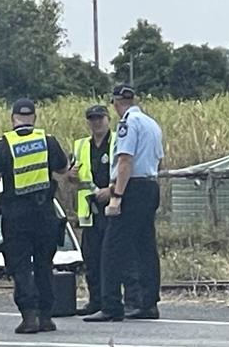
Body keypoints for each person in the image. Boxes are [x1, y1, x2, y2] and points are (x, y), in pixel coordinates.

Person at [0, 98, 68, 334]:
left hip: (16, 216)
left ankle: (29, 317)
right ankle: (46, 316)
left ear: (12, 118)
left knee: (21, 267)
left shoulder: (3, 146)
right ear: (34, 118)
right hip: (45, 213)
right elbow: (62, 170)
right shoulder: (48, 142)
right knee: (44, 264)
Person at [84, 84, 164, 322]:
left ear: (116, 103)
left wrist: (116, 196)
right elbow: (158, 159)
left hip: (132, 188)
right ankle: (148, 303)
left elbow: (126, 160)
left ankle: (111, 306)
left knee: (111, 248)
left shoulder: (128, 124)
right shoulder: (151, 123)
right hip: (150, 185)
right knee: (145, 247)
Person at [69, 105, 141, 316]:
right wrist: (70, 175)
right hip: (91, 210)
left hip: (114, 206)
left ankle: (131, 300)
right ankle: (96, 300)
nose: (96, 122)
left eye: (100, 118)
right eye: (92, 119)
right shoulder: (81, 145)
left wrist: (111, 192)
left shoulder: (117, 141)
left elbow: (127, 168)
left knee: (122, 255)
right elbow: (73, 177)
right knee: (92, 258)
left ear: (108, 119)